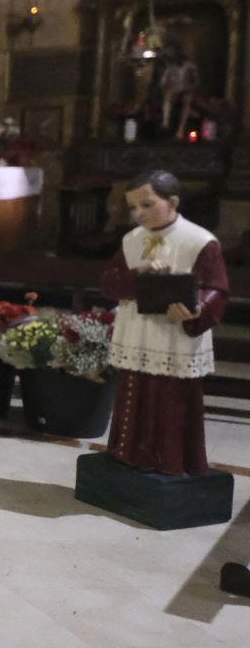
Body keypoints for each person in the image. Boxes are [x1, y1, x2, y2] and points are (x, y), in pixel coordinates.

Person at [100, 169, 228, 475]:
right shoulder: (132, 240)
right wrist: (138, 274)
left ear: (172, 202)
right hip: (137, 332)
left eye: (147, 204)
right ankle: (130, 454)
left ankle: (170, 460)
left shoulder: (199, 241)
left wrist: (198, 309)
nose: (138, 214)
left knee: (169, 399)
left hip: (175, 336)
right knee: (135, 394)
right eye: (133, 207)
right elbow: (109, 283)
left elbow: (217, 288)